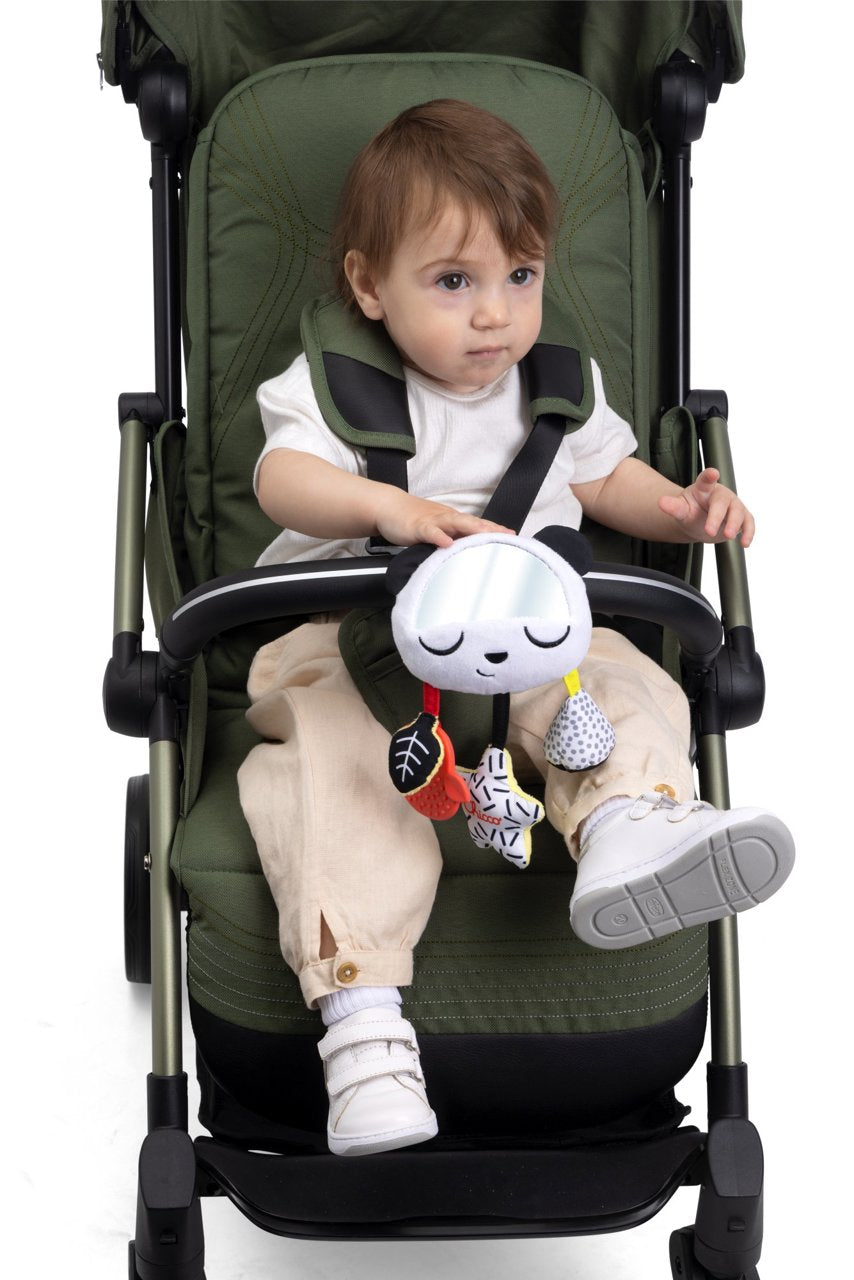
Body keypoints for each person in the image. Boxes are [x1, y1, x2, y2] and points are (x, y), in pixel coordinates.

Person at [237, 100, 794, 1158]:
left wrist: (680, 506)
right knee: (331, 770)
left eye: (520, 276)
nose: (494, 314)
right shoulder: (331, 385)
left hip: (529, 633)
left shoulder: (556, 389)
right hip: (352, 637)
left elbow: (606, 479)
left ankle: (629, 822)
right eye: (453, 282)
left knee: (620, 677)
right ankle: (363, 1030)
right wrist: (391, 509)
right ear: (369, 285)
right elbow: (282, 479)